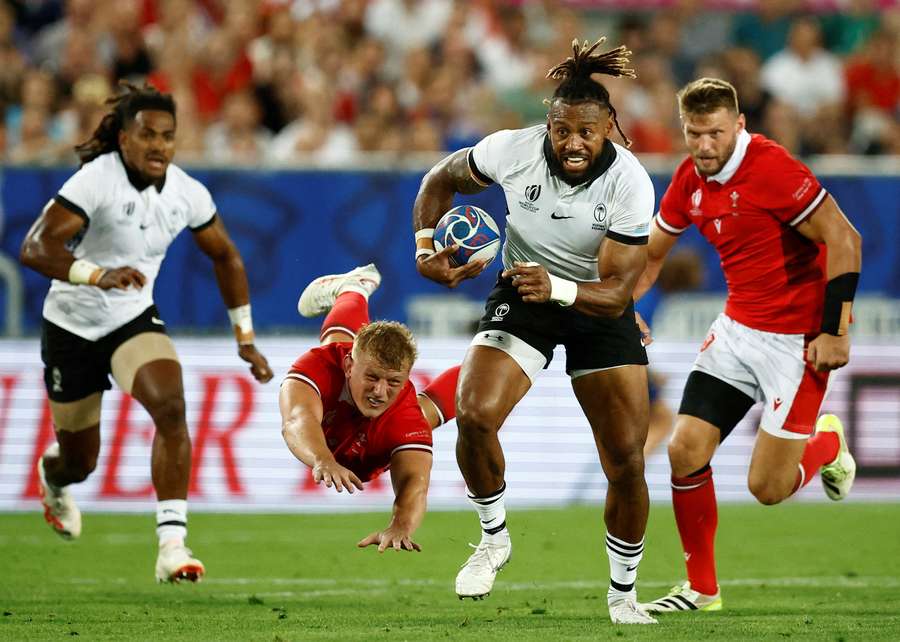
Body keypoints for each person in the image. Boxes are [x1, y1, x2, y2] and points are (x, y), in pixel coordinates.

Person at [413, 38, 658, 625]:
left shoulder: (630, 182)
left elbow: (620, 291)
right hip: (525, 293)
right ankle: (493, 538)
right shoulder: (511, 150)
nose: (573, 143)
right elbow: (438, 180)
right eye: (562, 130)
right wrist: (425, 249)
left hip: (596, 304)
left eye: (587, 133)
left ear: (608, 130)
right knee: (472, 415)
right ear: (547, 126)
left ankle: (622, 596)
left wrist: (562, 288)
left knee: (625, 461)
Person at [19, 83, 274, 583]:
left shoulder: (186, 192)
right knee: (80, 462)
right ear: (123, 139)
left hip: (131, 317)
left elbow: (226, 255)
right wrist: (97, 274)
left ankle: (171, 546)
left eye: (168, 136)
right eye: (148, 135)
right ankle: (54, 475)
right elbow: (34, 248)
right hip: (71, 325)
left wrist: (244, 338)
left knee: (171, 407)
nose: (159, 145)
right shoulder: (96, 180)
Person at [633, 78, 862, 613]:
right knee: (684, 449)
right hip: (737, 330)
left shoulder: (775, 170)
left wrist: (836, 329)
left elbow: (845, 239)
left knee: (768, 487)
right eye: (694, 134)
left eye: (715, 133)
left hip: (798, 342)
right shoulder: (688, 177)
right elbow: (651, 255)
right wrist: (624, 309)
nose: (705, 146)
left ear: (739, 126)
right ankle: (702, 589)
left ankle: (827, 445)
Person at [281, 263, 460, 552]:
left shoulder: (405, 417)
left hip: (381, 437)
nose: (379, 391)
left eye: (393, 381)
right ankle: (354, 287)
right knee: (337, 343)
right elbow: (296, 420)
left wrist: (401, 525)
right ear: (350, 366)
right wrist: (322, 459)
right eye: (372, 378)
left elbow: (415, 481)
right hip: (332, 411)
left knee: (422, 414)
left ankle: (484, 366)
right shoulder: (318, 365)